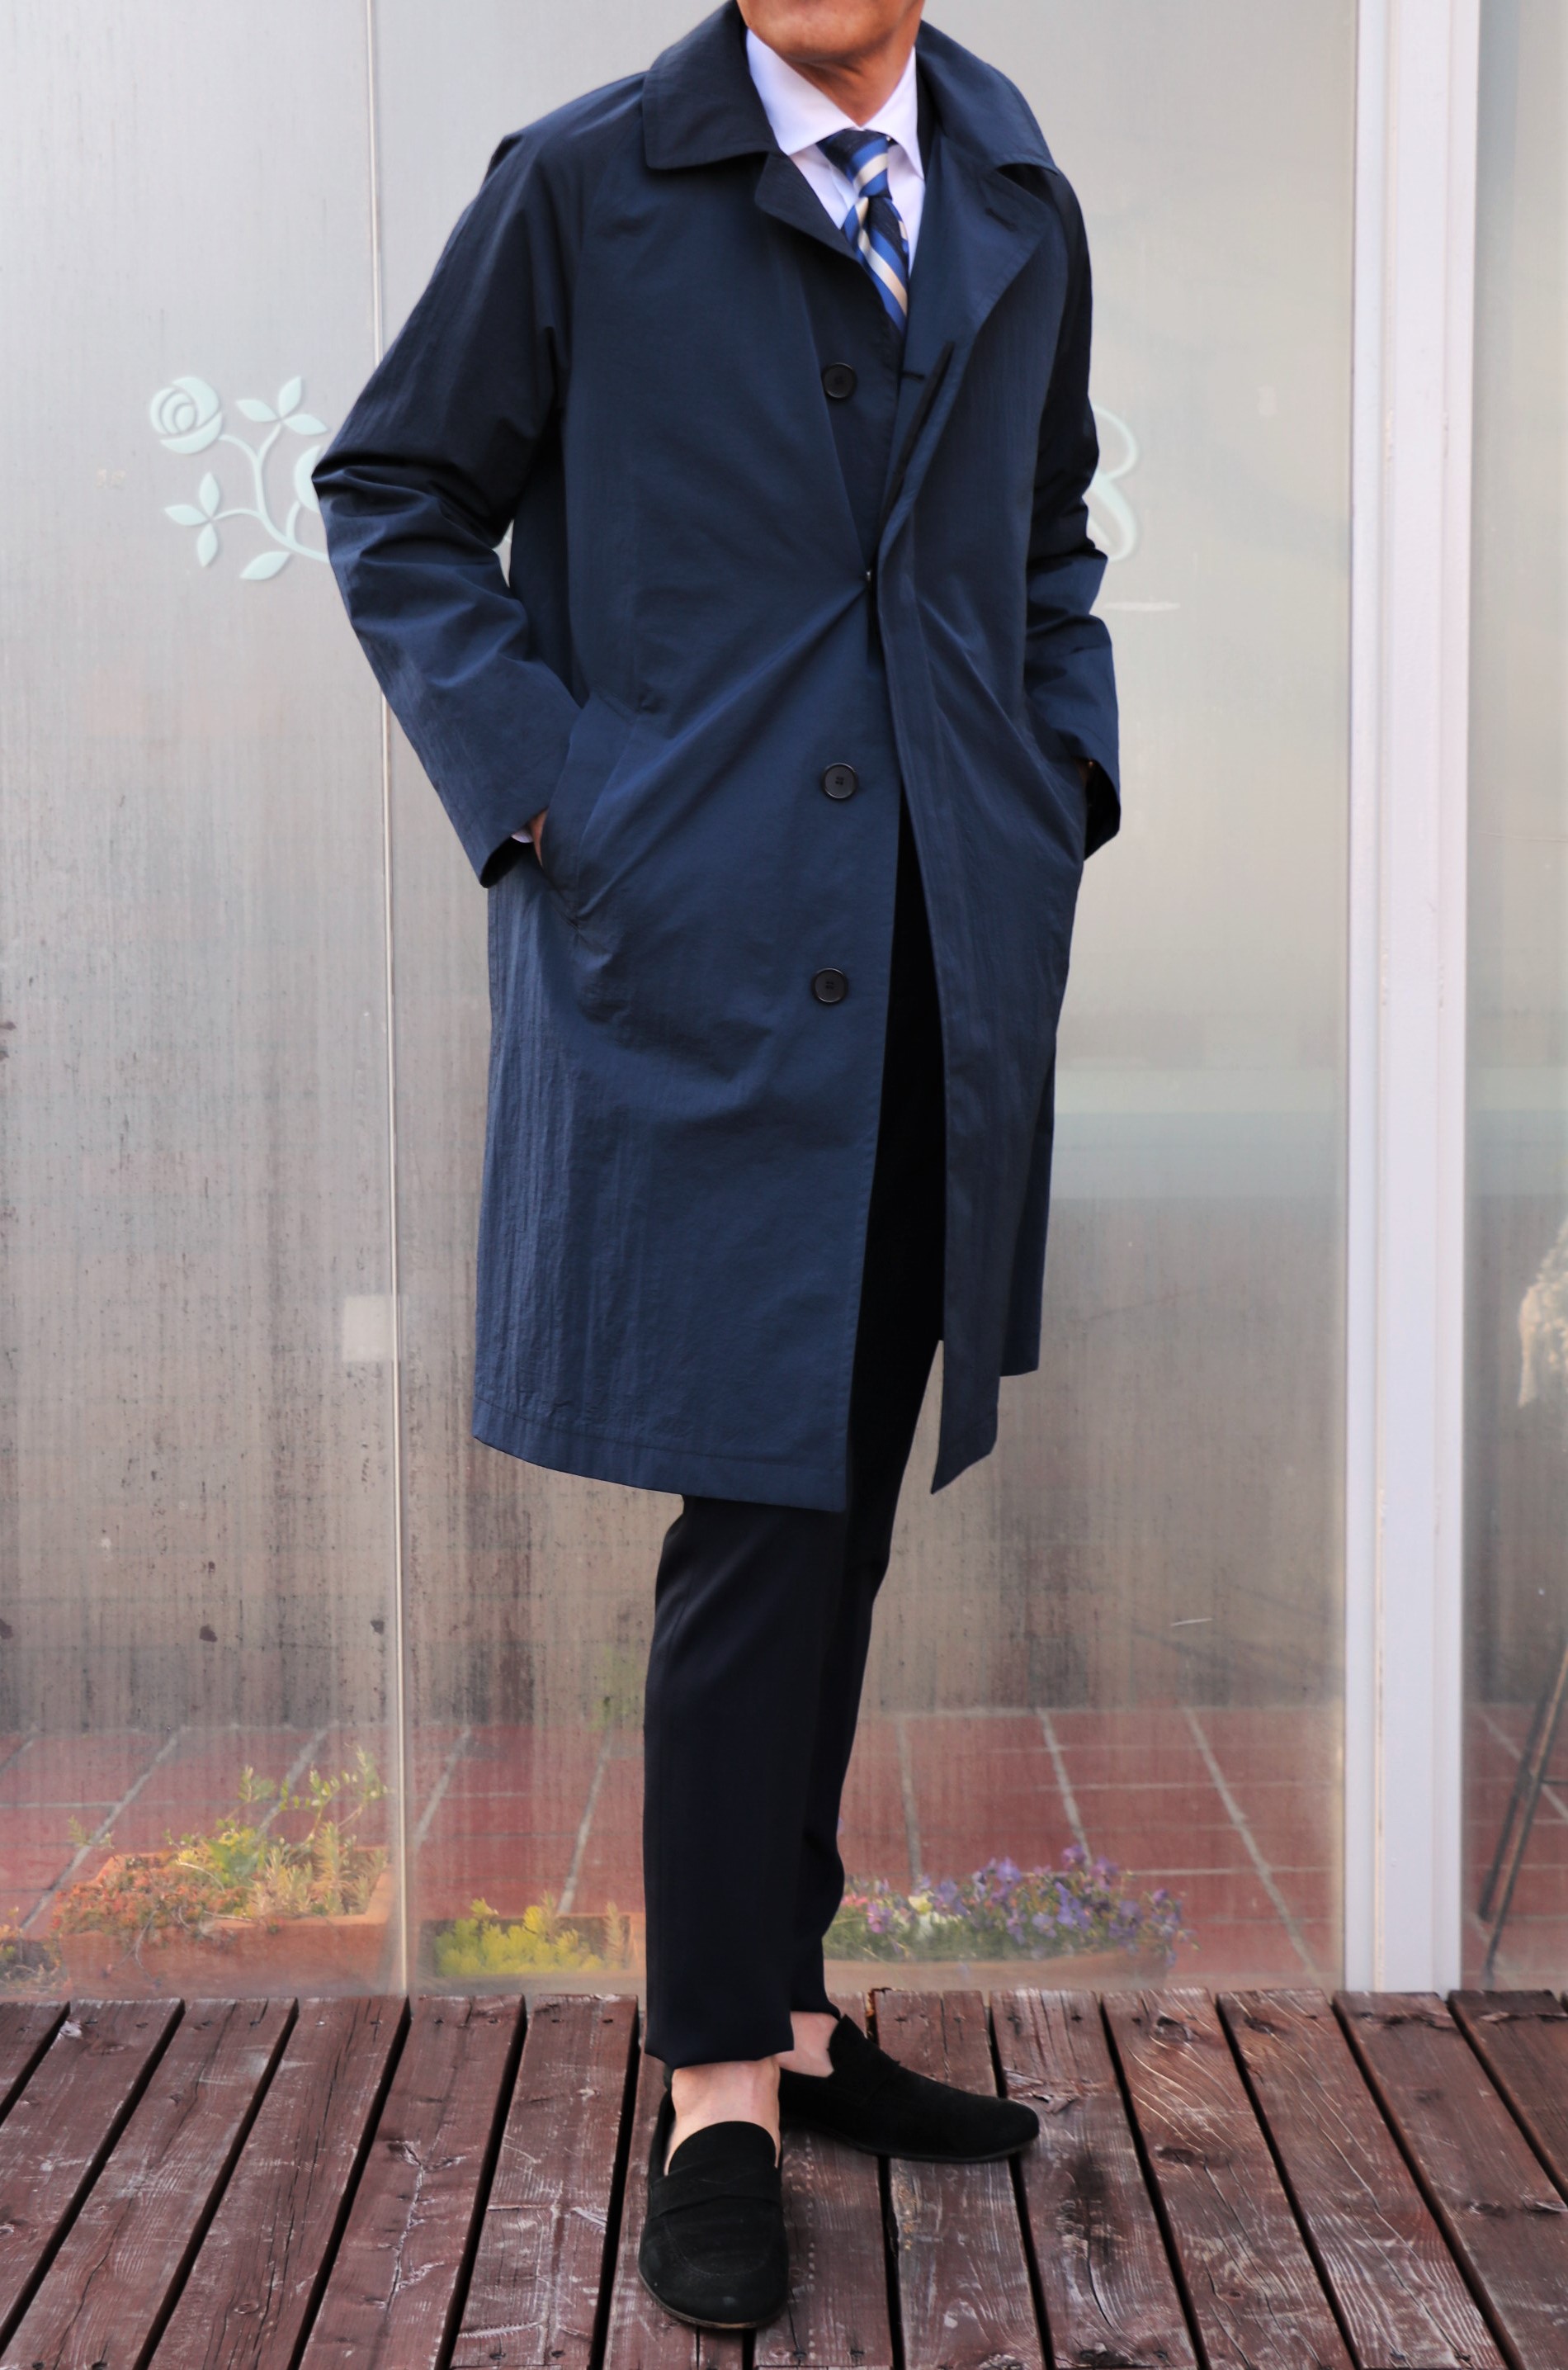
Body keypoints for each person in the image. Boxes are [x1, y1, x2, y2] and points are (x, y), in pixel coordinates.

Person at [316, 0, 1117, 2331]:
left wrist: (1056, 778)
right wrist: (554, 796)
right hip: (699, 954)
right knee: (759, 1520)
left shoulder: (1012, 189)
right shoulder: (582, 185)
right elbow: (392, 492)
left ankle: (785, 2011)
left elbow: (1045, 536)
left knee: (836, 1496)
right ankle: (717, 2091)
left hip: (938, 947)